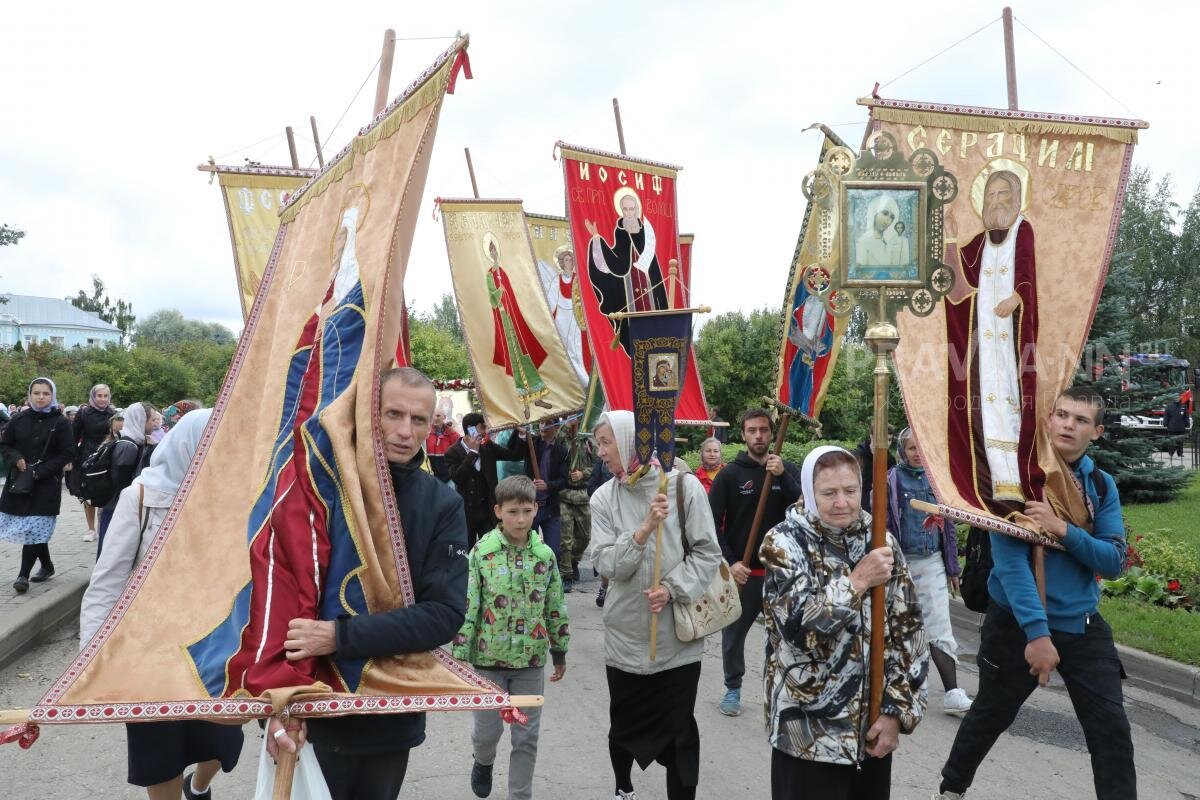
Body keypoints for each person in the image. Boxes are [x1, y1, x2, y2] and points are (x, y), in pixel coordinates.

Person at [266, 367, 469, 800]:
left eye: (418, 420)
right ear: (367, 414)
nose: (403, 431)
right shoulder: (320, 489)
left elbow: (444, 616)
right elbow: (282, 595)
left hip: (389, 717)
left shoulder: (443, 503)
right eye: (392, 414)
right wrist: (278, 703)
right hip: (312, 708)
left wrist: (340, 636)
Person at [933, 388, 1134, 800]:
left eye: (1080, 420)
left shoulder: (1099, 484)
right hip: (1016, 624)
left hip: (1082, 625)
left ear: (1095, 432)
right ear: (1048, 420)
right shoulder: (1018, 480)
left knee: (1111, 729)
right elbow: (1011, 569)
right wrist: (1037, 635)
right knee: (991, 714)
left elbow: (1113, 562)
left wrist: (1062, 530)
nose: (1068, 425)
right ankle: (950, 790)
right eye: (1061, 415)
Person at [79, 409, 243, 800]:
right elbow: (107, 582)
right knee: (160, 751)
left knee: (223, 740)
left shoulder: (236, 500)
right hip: (149, 648)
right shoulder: (140, 497)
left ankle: (199, 786)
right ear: (188, 444)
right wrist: (90, 660)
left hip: (214, 645)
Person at [761, 446, 928, 799]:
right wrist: (855, 583)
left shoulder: (882, 542)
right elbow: (797, 631)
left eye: (850, 491)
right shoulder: (783, 543)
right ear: (809, 492)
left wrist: (896, 713)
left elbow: (909, 634)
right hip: (807, 735)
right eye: (829, 493)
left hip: (870, 732)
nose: (842, 503)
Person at [590, 410, 722, 800]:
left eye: (604, 442)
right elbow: (607, 564)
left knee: (680, 733)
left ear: (631, 441)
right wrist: (644, 529)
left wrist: (673, 587)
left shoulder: (683, 487)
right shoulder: (603, 498)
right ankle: (623, 786)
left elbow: (707, 553)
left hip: (675, 642)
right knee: (624, 726)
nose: (599, 452)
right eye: (597, 443)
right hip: (626, 637)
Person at [453, 474, 570, 800]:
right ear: (498, 511)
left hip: (530, 661)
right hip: (487, 661)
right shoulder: (482, 553)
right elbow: (470, 604)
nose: (520, 519)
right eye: (513, 511)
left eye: (526, 511)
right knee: (486, 733)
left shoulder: (544, 556)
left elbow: (554, 602)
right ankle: (483, 761)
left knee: (526, 736)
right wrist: (459, 657)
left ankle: (520, 795)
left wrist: (559, 648)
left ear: (536, 509)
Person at [944, 169, 1039, 516]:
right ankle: (996, 480)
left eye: (1003, 195)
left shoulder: (1021, 230)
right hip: (985, 341)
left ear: (1015, 199)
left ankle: (1015, 477)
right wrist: (951, 238)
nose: (997, 202)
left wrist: (1018, 297)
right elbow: (960, 278)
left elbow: (1028, 273)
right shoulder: (982, 242)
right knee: (986, 399)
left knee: (1012, 398)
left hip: (1012, 339)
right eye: (991, 196)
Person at [708, 407, 802, 717]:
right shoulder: (730, 474)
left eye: (763, 429)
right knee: (733, 634)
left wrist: (783, 476)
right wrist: (731, 562)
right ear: (744, 435)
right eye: (752, 430)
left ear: (772, 433)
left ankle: (777, 690)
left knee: (784, 636)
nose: (758, 435)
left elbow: (805, 509)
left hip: (780, 573)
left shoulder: (786, 469)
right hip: (744, 574)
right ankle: (733, 688)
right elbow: (711, 524)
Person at [885, 428, 972, 717]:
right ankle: (903, 687)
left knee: (940, 626)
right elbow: (883, 525)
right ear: (902, 451)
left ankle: (953, 693)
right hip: (901, 563)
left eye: (921, 448)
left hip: (932, 561)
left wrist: (952, 567)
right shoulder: (892, 480)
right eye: (911, 448)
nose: (917, 454)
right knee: (901, 625)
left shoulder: (938, 479)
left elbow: (947, 527)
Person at [0, 378, 75, 594]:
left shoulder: (60, 422)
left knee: (35, 525)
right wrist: (16, 458)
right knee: (34, 528)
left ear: (53, 395)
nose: (41, 397)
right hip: (21, 482)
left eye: (45, 393)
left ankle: (22, 575)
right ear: (30, 395)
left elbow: (68, 452)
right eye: (36, 393)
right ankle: (47, 565)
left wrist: (42, 471)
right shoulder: (18, 419)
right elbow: (5, 444)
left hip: (46, 484)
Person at [584, 190, 669, 355]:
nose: (629, 212)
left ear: (637, 209)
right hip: (629, 291)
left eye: (632, 209)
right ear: (622, 211)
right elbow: (617, 261)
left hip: (650, 292)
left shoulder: (646, 232)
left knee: (655, 334)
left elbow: (654, 268)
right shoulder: (620, 231)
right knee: (634, 339)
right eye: (626, 209)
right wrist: (597, 239)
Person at [446, 412, 529, 547]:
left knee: (492, 547)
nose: (486, 431)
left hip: (488, 510)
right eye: (482, 427)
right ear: (470, 429)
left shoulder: (488, 446)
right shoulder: (452, 452)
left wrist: (521, 434)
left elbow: (514, 455)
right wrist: (472, 453)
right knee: (468, 549)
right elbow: (457, 477)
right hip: (467, 512)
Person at [96, 401, 158, 555]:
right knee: (111, 551)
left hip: (120, 506)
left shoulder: (136, 442)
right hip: (116, 507)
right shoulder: (128, 446)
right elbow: (122, 482)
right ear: (141, 421)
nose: (155, 424)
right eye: (151, 420)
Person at [72, 383, 116, 542]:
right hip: (87, 456)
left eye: (105, 396)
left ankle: (105, 526)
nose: (103, 399)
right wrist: (72, 458)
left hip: (108, 455)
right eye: (99, 396)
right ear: (93, 396)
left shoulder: (114, 413)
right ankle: (91, 529)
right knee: (88, 493)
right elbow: (73, 437)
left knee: (107, 492)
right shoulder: (83, 413)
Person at [557, 417, 594, 593]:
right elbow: (556, 441)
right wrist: (566, 426)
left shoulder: (588, 440)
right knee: (565, 538)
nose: (575, 421)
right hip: (564, 494)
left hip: (582, 494)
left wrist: (583, 473)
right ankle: (566, 575)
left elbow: (597, 464)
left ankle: (574, 561)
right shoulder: (562, 438)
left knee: (585, 536)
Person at [523, 419, 567, 563]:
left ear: (557, 427)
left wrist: (548, 485)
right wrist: (518, 433)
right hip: (530, 506)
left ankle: (553, 581)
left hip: (550, 507)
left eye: (547, 423)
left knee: (554, 550)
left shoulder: (561, 451)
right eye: (541, 423)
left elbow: (564, 480)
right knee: (529, 548)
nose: (543, 426)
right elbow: (513, 450)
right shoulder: (531, 443)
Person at [588, 453, 614, 607]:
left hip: (625, 517)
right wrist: (607, 495)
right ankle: (604, 586)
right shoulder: (601, 463)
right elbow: (590, 487)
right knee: (606, 552)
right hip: (605, 516)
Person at [852, 427, 895, 512]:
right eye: (881, 439)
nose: (886, 443)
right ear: (871, 436)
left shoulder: (890, 461)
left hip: (881, 511)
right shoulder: (856, 457)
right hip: (858, 509)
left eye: (889, 440)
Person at [426, 405, 462, 482]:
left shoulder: (453, 434)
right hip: (429, 477)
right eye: (432, 416)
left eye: (438, 416)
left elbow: (460, 454)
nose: (435, 418)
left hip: (449, 478)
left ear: (444, 417)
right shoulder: (425, 433)